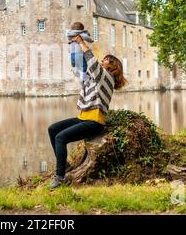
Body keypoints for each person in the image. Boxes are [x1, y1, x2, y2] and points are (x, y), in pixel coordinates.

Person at [48, 35, 128, 189]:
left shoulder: (107, 77)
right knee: (53, 129)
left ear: (112, 66)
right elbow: (83, 71)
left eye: (105, 59)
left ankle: (60, 177)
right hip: (84, 118)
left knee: (60, 138)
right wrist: (75, 53)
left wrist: (81, 42)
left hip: (94, 122)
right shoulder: (97, 78)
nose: (102, 60)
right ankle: (64, 165)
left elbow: (91, 61)